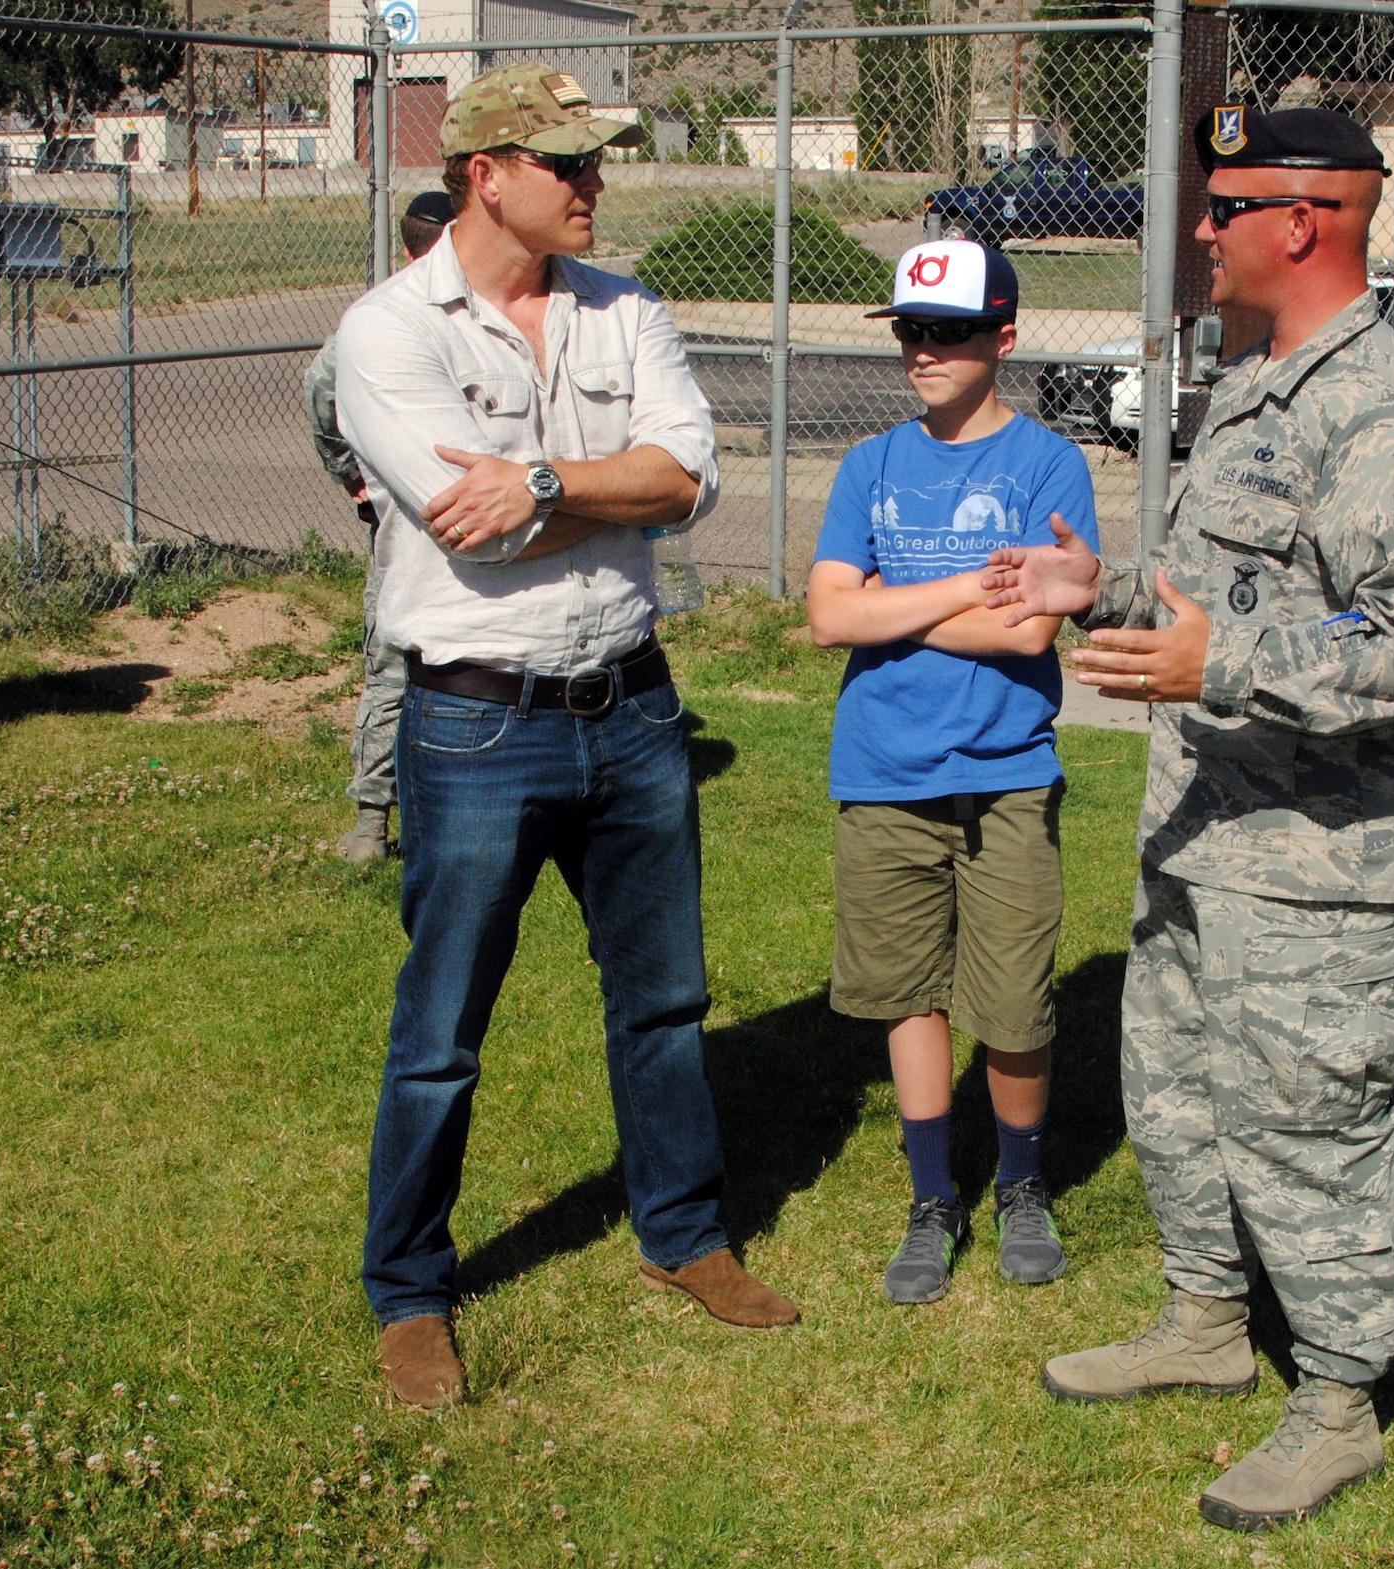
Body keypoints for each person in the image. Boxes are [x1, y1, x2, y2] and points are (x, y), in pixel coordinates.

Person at [981, 107, 1394, 1532]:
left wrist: (1227, 667)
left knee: (1308, 1120)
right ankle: (1205, 1321)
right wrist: (1114, 591)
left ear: (1303, 222)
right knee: (1182, 1094)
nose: (1197, 232)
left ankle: (1338, 1399)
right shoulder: (1259, 385)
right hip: (1203, 825)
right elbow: (1230, 595)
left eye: (1222, 207)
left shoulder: (1387, 415)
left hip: (1317, 862)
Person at [333, 64, 798, 1411]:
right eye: (572, 165)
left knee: (662, 1000)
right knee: (441, 1028)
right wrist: (615, 495)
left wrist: (541, 480)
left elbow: (693, 477)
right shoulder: (388, 333)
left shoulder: (625, 306)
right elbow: (462, 519)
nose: (598, 186)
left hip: (635, 707)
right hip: (478, 722)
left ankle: (682, 1234)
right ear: (489, 172)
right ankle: (413, 1293)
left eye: (600, 164)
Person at [806, 239, 1099, 1306]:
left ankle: (1020, 1183)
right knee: (907, 994)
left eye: (948, 332)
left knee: (1016, 1005)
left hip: (1005, 771)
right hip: (882, 772)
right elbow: (827, 612)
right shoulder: (869, 466)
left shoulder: (1045, 464)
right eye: (910, 333)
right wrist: (953, 596)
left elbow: (1028, 634)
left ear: (1002, 339)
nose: (923, 352)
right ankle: (933, 1198)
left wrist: (894, 602)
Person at [305, 190, 456, 862]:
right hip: (453, 524)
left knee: (393, 666)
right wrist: (357, 479)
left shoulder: (377, 321)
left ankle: (373, 823)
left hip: (402, 520)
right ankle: (389, 821)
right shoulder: (449, 314)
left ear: (404, 247)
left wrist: (354, 479)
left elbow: (320, 393)